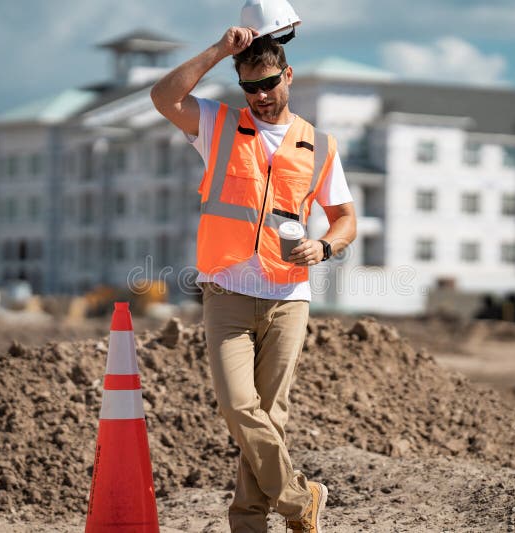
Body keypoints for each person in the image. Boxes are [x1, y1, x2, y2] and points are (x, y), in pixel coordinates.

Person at [151, 25, 356, 533]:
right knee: (239, 406)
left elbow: (346, 218)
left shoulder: (320, 145)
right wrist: (222, 50)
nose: (261, 96)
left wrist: (326, 245)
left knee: (271, 415)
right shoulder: (217, 126)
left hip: (289, 297)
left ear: (288, 75)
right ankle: (299, 499)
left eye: (269, 84)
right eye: (250, 87)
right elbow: (163, 96)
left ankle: (248, 523)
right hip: (227, 292)